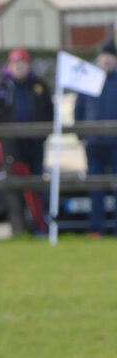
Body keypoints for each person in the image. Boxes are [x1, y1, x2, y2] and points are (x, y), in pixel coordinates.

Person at [0, 48, 53, 234]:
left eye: (22, 63)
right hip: (11, 147)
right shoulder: (1, 87)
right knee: (14, 188)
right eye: (15, 63)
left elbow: (49, 113)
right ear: (9, 65)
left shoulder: (40, 86)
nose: (19, 67)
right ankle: (19, 229)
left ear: (28, 65)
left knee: (37, 186)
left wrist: (41, 135)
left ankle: (39, 226)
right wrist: (4, 137)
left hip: (35, 146)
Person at [74, 38, 117, 238]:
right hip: (93, 143)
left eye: (110, 56)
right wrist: (82, 135)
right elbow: (79, 110)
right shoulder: (88, 81)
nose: (107, 60)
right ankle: (96, 229)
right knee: (95, 188)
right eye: (104, 56)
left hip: (115, 144)